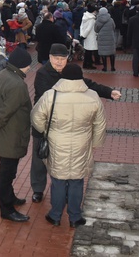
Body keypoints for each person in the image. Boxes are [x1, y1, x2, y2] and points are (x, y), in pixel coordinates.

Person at [30, 43, 120, 203]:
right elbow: (44, 100)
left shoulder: (69, 73)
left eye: (62, 59)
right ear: (49, 58)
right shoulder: (42, 74)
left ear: (67, 59)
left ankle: (60, 191)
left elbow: (88, 85)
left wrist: (108, 92)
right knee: (39, 160)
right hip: (44, 127)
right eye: (55, 59)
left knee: (61, 162)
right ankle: (38, 189)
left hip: (62, 127)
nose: (58, 62)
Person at [31, 64, 106, 228]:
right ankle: (75, 217)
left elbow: (36, 117)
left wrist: (46, 131)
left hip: (57, 143)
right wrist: (95, 143)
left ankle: (55, 215)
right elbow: (100, 124)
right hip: (82, 144)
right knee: (77, 181)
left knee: (58, 181)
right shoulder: (93, 96)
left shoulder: (51, 95)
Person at [0, 47, 33, 223]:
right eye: (28, 65)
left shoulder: (1, 75)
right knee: (6, 172)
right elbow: (5, 113)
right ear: (21, 66)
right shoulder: (18, 84)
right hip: (10, 135)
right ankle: (7, 209)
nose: (29, 68)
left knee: (8, 170)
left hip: (5, 134)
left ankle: (10, 198)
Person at [94, 7, 116, 72]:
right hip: (110, 37)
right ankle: (112, 67)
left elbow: (96, 29)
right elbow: (114, 27)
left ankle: (105, 67)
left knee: (103, 53)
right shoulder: (111, 19)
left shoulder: (98, 20)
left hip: (102, 38)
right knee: (112, 53)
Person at [79, 4, 99, 69]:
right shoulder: (92, 19)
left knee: (87, 51)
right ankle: (88, 64)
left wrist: (82, 35)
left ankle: (86, 64)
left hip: (86, 36)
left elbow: (82, 26)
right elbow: (89, 28)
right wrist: (84, 35)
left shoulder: (85, 17)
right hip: (91, 36)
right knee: (89, 52)